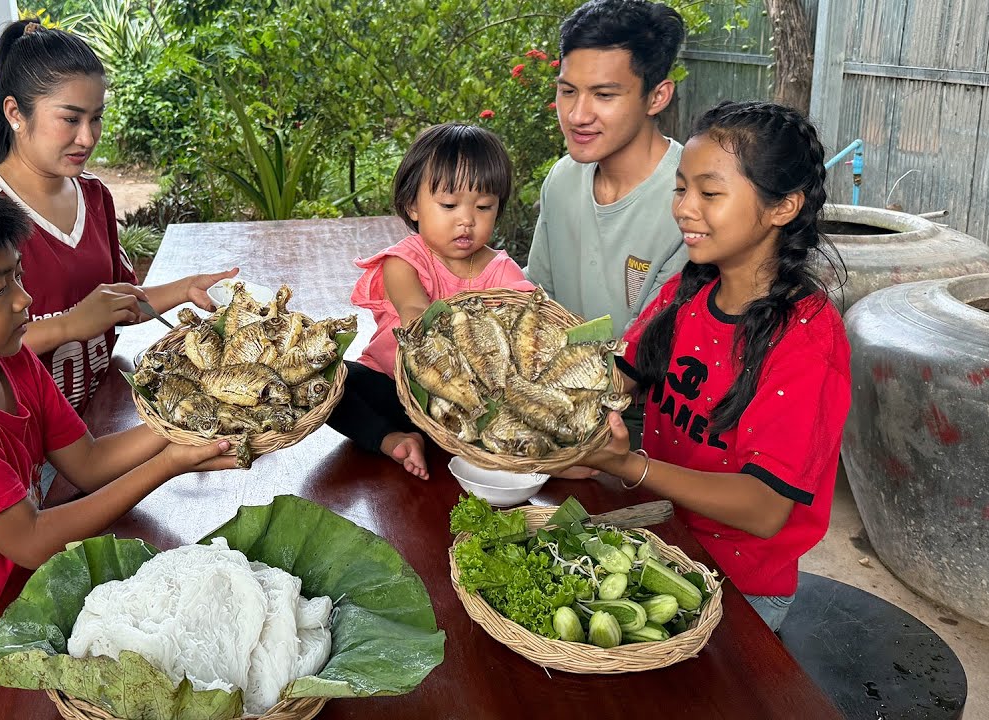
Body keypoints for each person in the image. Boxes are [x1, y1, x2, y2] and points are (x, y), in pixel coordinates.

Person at [0, 172, 238, 720]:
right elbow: (31, 541)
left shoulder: (10, 360)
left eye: (19, 277)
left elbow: (90, 462)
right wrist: (170, 464)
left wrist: (186, 422)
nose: (24, 300)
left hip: (26, 600)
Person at [565, 101, 851, 632]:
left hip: (739, 585)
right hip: (658, 539)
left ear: (783, 207)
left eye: (710, 193)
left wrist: (631, 466)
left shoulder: (806, 339)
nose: (684, 208)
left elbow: (765, 507)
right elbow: (618, 373)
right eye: (680, 189)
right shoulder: (690, 290)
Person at [0, 20, 236, 416]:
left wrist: (187, 289)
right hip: (19, 436)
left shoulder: (93, 195)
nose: (88, 137)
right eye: (70, 118)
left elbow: (119, 302)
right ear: (14, 112)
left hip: (95, 421)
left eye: (96, 118)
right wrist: (71, 323)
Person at [331, 123, 535, 479]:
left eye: (484, 206)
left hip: (465, 403)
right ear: (413, 206)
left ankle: (469, 444)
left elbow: (529, 326)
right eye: (449, 205)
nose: (467, 220)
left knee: (522, 411)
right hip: (394, 388)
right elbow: (415, 315)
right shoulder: (404, 260)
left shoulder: (501, 271)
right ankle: (390, 439)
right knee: (329, 380)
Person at [526, 0, 689, 443]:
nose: (578, 115)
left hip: (647, 432)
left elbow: (653, 356)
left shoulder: (691, 201)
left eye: (604, 95)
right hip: (551, 411)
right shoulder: (562, 179)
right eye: (567, 90)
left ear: (657, 96)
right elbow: (539, 304)